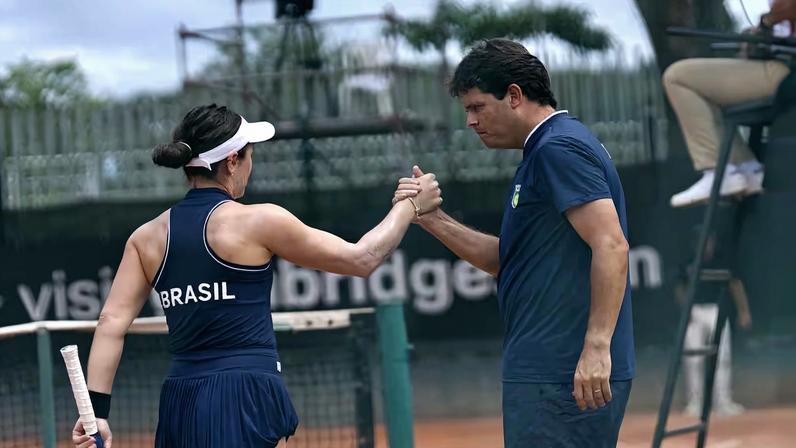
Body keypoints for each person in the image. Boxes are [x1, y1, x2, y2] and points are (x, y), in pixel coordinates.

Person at [71, 104, 442, 448]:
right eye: (250, 155)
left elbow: (110, 321)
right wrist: (410, 206)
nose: (251, 165)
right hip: (244, 390)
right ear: (232, 161)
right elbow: (363, 258)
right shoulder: (260, 220)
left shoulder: (145, 237)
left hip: (180, 399)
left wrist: (98, 412)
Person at [393, 39, 635, 447]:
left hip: (562, 374)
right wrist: (430, 218)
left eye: (476, 107)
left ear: (514, 96)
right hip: (549, 372)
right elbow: (506, 260)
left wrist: (596, 348)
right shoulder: (547, 149)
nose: (470, 121)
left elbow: (612, 245)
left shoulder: (558, 149)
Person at [664, 0, 796, 208]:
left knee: (678, 77)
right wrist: (759, 38)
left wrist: (766, 23)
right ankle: (746, 168)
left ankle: (718, 170)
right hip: (783, 69)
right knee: (706, 93)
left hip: (787, 73)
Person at [674, 229, 753, 417]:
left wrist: (743, 311)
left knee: (722, 358)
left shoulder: (722, 260)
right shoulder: (688, 262)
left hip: (716, 311)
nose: (706, 245)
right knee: (693, 359)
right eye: (702, 241)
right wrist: (686, 310)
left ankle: (723, 402)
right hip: (694, 312)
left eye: (708, 241)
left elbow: (735, 285)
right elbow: (679, 287)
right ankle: (695, 403)